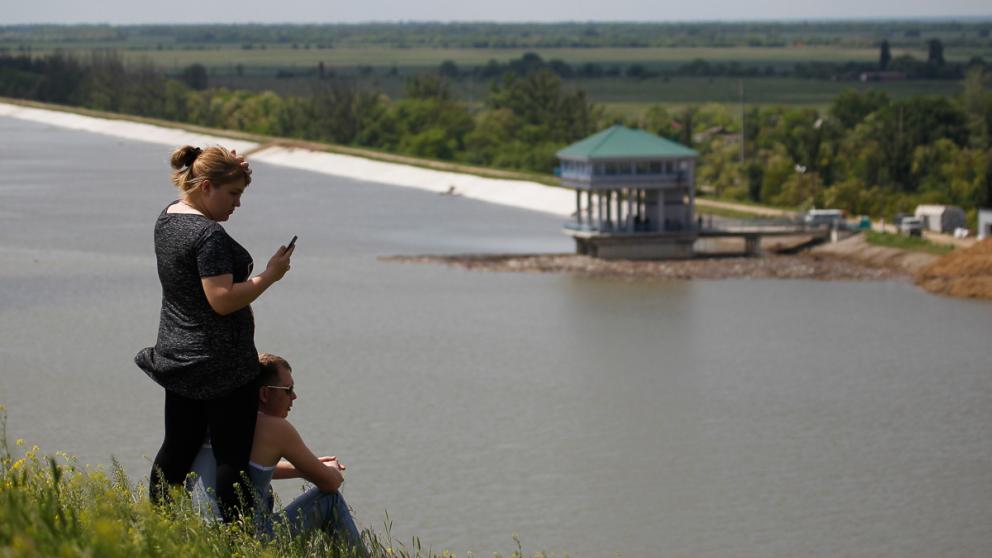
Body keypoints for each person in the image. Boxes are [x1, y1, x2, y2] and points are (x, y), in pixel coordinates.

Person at [135, 145, 295, 521]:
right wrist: (270, 275)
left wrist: (223, 164)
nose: (238, 203)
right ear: (206, 186)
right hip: (223, 366)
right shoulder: (209, 236)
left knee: (178, 448)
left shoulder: (168, 218)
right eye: (233, 193)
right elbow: (221, 300)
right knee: (232, 459)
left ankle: (153, 526)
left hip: (179, 358)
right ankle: (236, 536)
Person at [188, 353, 366, 554]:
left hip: (204, 542)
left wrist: (304, 469)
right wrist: (332, 470)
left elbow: (243, 470)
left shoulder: (218, 420)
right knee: (330, 499)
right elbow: (330, 483)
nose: (294, 396)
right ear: (264, 394)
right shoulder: (274, 427)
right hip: (249, 545)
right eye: (288, 390)